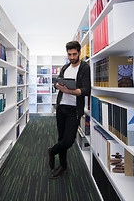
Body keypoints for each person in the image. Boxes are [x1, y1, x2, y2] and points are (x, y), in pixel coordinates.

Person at [48, 41, 91, 179]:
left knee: (69, 140)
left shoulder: (85, 68)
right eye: (69, 54)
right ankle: (63, 165)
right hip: (61, 107)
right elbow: (56, 82)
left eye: (74, 54)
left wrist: (69, 90)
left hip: (74, 110)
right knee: (61, 137)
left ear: (79, 52)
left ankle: (52, 151)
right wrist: (57, 85)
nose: (72, 57)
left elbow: (85, 90)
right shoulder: (65, 67)